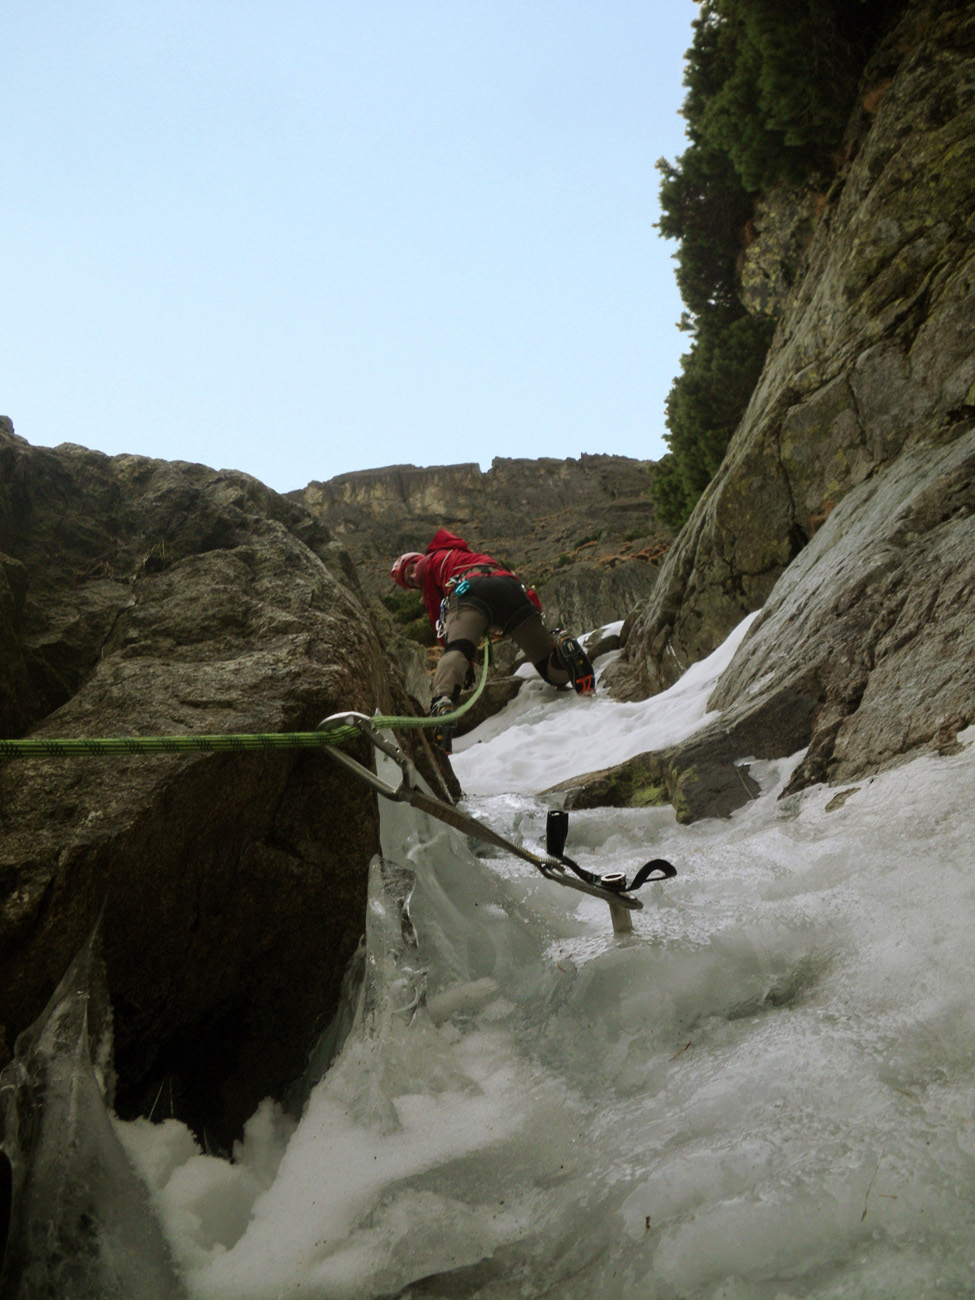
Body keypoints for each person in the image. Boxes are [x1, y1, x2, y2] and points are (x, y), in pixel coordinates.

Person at [391, 528, 595, 752]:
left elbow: (437, 619)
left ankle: (442, 705)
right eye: (410, 581)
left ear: (418, 561)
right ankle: (560, 646)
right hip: (509, 588)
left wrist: (465, 663)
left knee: (456, 649)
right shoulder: (464, 555)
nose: (413, 577)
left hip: (468, 590)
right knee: (553, 672)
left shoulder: (429, 563)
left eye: (410, 570)